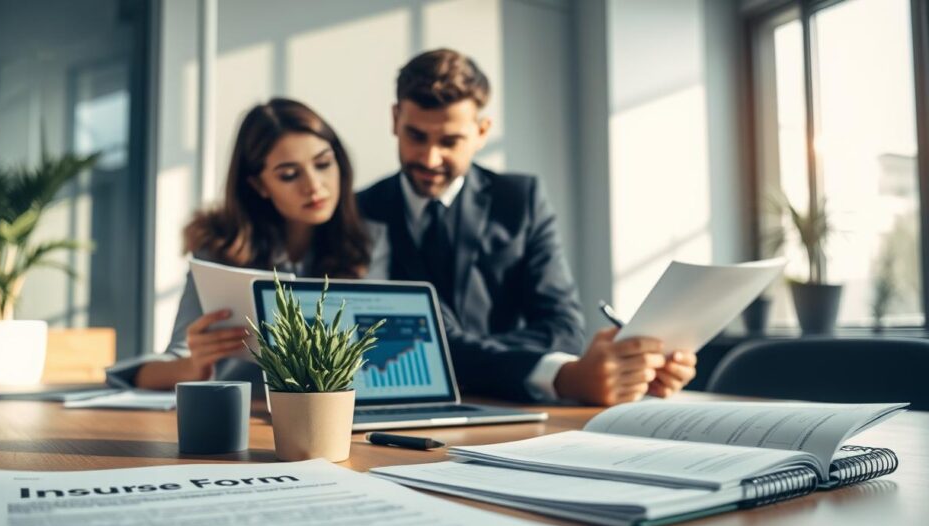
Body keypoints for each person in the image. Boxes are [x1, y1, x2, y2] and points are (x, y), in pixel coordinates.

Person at [356, 49, 696, 406]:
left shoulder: (520, 199)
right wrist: (555, 372)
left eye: (449, 141)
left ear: (482, 131)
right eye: (416, 136)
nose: (430, 158)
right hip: (402, 412)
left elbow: (563, 328)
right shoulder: (357, 212)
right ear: (395, 119)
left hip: (517, 409)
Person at [109, 98, 388, 390]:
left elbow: (374, 354)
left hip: (331, 417)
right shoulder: (219, 248)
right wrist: (194, 365)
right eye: (289, 174)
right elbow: (166, 363)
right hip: (243, 419)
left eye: (323, 164)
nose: (315, 185)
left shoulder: (370, 242)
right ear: (259, 185)